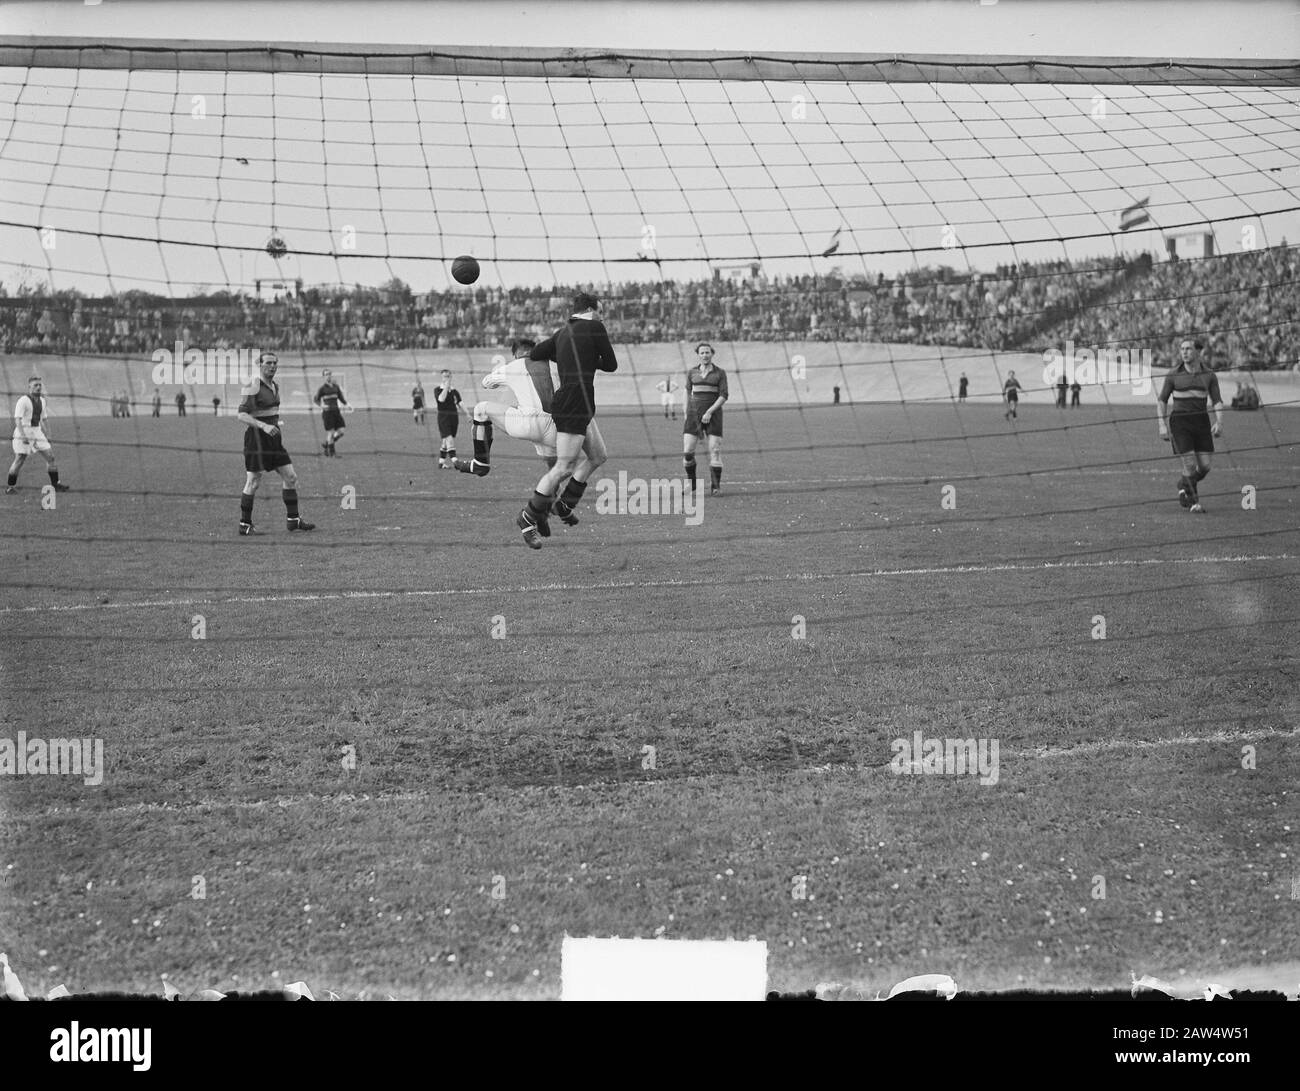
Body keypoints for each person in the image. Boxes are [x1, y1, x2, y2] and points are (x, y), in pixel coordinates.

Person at [515, 292, 618, 548]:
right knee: (563, 468)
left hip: (575, 402)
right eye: (601, 311)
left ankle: (564, 505)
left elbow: (537, 352)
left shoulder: (561, 334)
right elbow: (611, 364)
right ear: (591, 310)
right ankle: (527, 517)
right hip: (575, 403)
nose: (602, 316)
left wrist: (569, 356)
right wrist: (590, 359)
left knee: (598, 456)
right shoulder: (595, 327)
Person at [235, 350, 314, 535]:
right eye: (268, 363)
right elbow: (241, 415)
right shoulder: (252, 385)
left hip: (274, 440)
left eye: (274, 363)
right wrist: (263, 426)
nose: (272, 366)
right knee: (253, 481)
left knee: (291, 477)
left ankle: (293, 520)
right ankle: (244, 525)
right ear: (259, 365)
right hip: (256, 440)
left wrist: (272, 425)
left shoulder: (275, 386)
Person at [1157, 337, 1223, 514]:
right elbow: (1162, 400)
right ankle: (1194, 503)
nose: (1184, 352)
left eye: (1188, 348)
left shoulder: (1209, 375)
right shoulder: (1173, 374)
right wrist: (1161, 424)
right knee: (1189, 463)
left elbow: (1217, 401)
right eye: (1182, 349)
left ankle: (1183, 484)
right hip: (1180, 421)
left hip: (1201, 421)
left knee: (1205, 466)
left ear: (1198, 352)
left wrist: (1219, 422)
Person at [6, 375, 71, 494]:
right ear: (29, 387)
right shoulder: (23, 400)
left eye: (40, 385)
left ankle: (55, 484)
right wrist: (22, 435)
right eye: (35, 385)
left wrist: (48, 434)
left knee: (50, 457)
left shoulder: (42, 401)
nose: (38, 387)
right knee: (20, 459)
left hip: (37, 431)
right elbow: (17, 419)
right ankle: (10, 487)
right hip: (24, 430)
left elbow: (44, 419)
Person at [683, 342, 728, 496]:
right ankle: (692, 483)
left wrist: (709, 412)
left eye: (707, 352)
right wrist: (685, 412)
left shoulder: (720, 373)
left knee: (715, 450)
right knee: (688, 452)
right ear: (698, 355)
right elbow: (687, 393)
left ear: (712, 353)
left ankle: (715, 487)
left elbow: (724, 396)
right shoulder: (691, 373)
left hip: (713, 415)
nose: (705, 355)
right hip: (693, 416)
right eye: (702, 353)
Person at [313, 369, 349, 457]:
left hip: (336, 412)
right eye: (326, 374)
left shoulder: (336, 387)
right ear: (323, 377)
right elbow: (316, 399)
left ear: (331, 375)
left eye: (329, 374)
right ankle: (332, 453)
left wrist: (347, 404)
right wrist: (322, 405)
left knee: (341, 431)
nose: (328, 376)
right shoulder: (322, 389)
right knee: (331, 432)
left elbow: (341, 398)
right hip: (327, 413)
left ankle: (326, 444)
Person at [433, 369, 463, 468]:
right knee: (449, 438)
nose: (446, 378)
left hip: (454, 418)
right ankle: (456, 462)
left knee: (446, 441)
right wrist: (446, 386)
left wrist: (468, 414)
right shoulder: (437, 389)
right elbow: (441, 399)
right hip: (443, 418)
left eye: (448, 376)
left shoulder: (454, 391)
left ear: (451, 377)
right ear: (442, 377)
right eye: (444, 376)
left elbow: (460, 403)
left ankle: (441, 463)